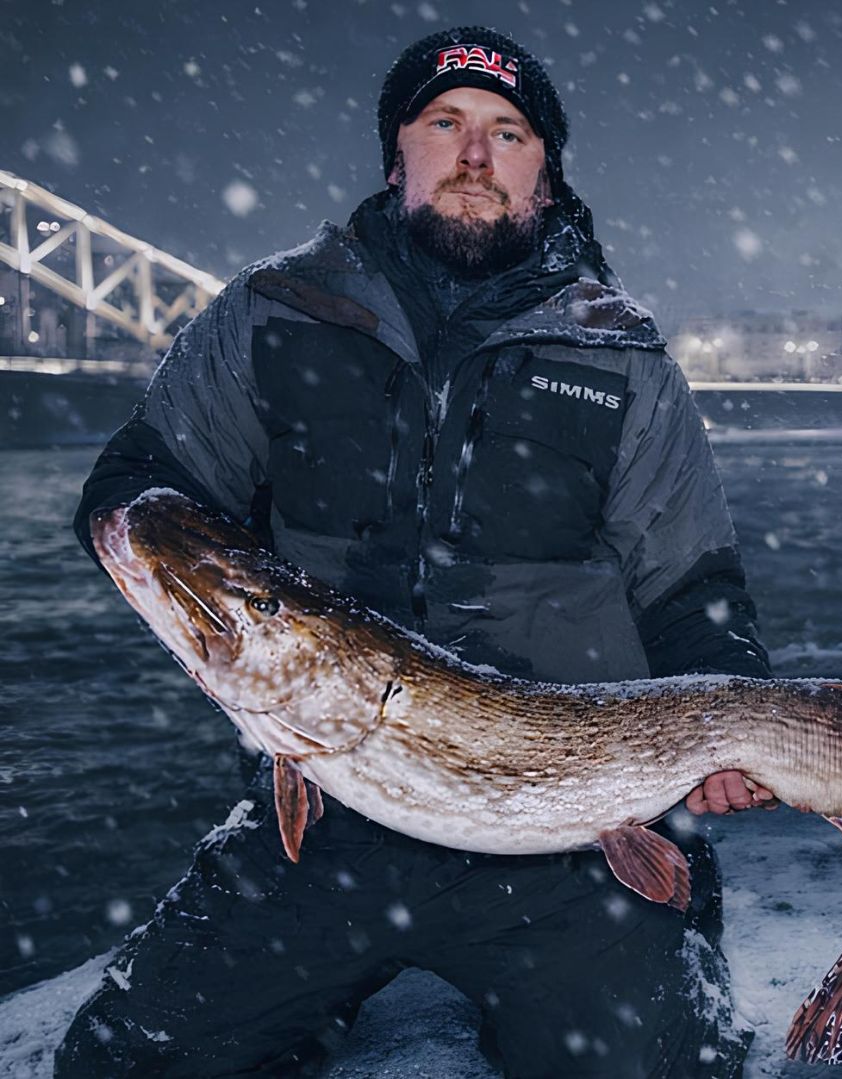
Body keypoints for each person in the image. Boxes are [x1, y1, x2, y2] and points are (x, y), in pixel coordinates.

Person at [59, 27, 776, 1077]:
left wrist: (733, 721)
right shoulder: (272, 314)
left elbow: (692, 586)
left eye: (508, 132)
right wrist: (223, 611)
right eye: (445, 124)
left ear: (545, 167)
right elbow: (135, 494)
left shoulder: (623, 357)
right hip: (320, 829)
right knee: (123, 1064)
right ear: (398, 152)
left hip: (569, 845)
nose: (475, 155)